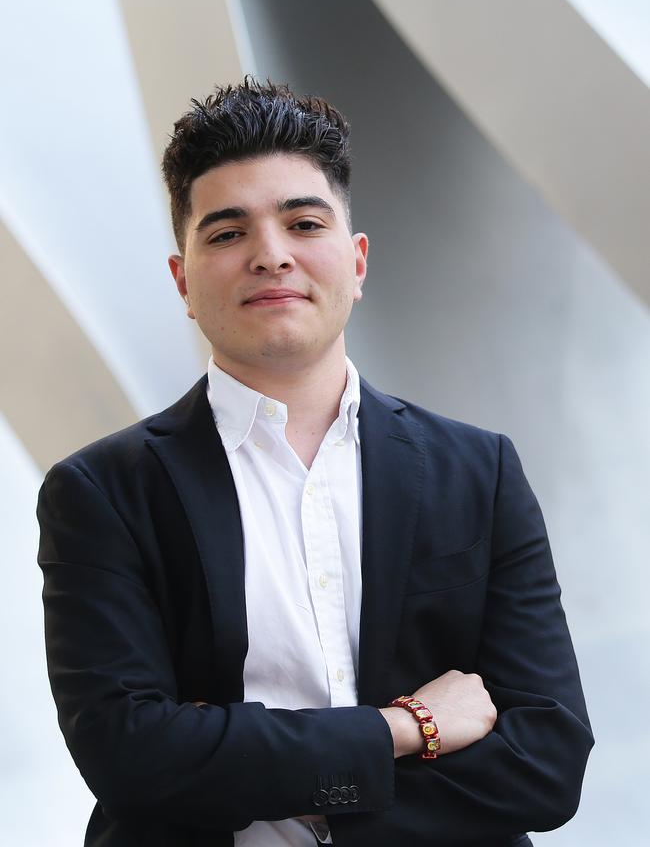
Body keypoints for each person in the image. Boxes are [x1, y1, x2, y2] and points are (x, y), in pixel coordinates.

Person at [37, 79, 593, 847]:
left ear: (357, 262)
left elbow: (547, 762)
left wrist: (250, 769)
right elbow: (130, 757)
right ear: (183, 283)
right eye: (227, 234)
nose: (270, 255)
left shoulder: (479, 472)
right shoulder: (101, 493)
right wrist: (408, 727)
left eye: (303, 222)